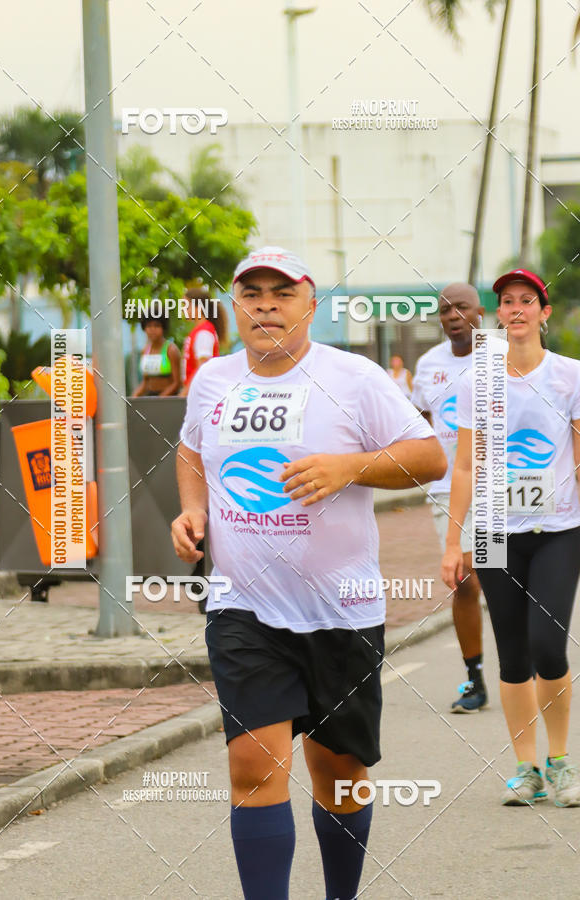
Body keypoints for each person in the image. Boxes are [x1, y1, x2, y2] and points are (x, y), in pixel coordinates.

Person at [171, 246, 447, 899]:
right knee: (252, 767)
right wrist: (191, 510)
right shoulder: (212, 379)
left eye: (282, 292)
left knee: (340, 774)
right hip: (244, 610)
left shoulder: (353, 377)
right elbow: (188, 451)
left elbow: (431, 457)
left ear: (310, 305)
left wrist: (348, 467)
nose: (266, 303)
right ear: (235, 305)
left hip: (341, 612)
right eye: (252, 292)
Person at [442, 268, 580, 807]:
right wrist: (454, 543)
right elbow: (464, 467)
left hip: (558, 528)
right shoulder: (478, 380)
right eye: (507, 302)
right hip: (496, 529)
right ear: (497, 315)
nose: (516, 309)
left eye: (528, 301)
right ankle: (527, 770)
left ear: (544, 314)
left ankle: (561, 761)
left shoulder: (570, 376)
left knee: (549, 645)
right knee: (513, 654)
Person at [411, 284, 487, 713]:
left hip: (498, 486)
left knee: (499, 577)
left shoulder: (501, 357)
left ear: (479, 311)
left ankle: (525, 666)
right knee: (463, 579)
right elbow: (418, 420)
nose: (453, 314)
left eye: (461, 306)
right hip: (446, 487)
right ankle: (474, 678)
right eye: (444, 309)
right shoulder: (427, 365)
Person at [180, 287, 228, 396]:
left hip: (201, 394)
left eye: (186, 306)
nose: (183, 310)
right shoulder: (198, 330)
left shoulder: (204, 332)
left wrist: (184, 394)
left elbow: (202, 368)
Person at [132, 314, 181, 397]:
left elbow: (176, 383)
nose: (152, 330)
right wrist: (134, 396)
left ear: (163, 327)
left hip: (168, 398)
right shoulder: (145, 351)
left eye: (157, 326)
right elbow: (145, 382)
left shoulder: (171, 350)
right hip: (150, 397)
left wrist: (159, 400)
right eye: (149, 326)